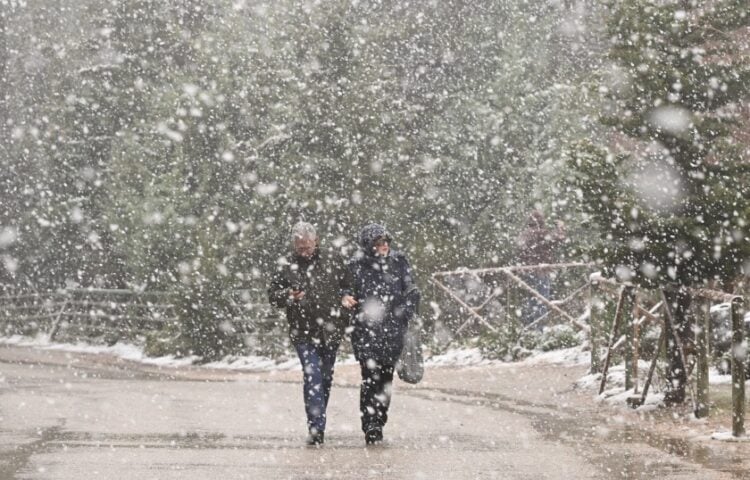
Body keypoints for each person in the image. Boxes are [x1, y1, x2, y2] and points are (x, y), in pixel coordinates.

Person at [268, 222, 348, 446]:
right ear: (294, 244)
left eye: (308, 246)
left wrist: (346, 300)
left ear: (317, 241)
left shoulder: (332, 259)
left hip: (331, 329)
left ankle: (317, 418)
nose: (305, 251)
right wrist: (288, 295)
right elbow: (273, 296)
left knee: (325, 379)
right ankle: (316, 428)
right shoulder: (286, 265)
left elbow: (347, 286)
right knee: (313, 376)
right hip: (303, 332)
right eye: (300, 247)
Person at [341, 223, 420, 445]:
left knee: (386, 378)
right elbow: (345, 289)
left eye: (386, 242)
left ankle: (380, 418)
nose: (384, 246)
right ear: (368, 245)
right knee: (369, 377)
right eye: (378, 243)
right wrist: (346, 298)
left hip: (393, 330)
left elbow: (410, 289)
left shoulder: (399, 261)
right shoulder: (356, 265)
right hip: (366, 330)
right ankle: (370, 423)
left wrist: (406, 310)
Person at [516, 210, 565, 328]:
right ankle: (539, 330)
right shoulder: (539, 233)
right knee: (542, 301)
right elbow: (559, 238)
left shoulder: (524, 234)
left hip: (527, 271)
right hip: (540, 271)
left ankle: (528, 329)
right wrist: (560, 227)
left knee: (531, 300)